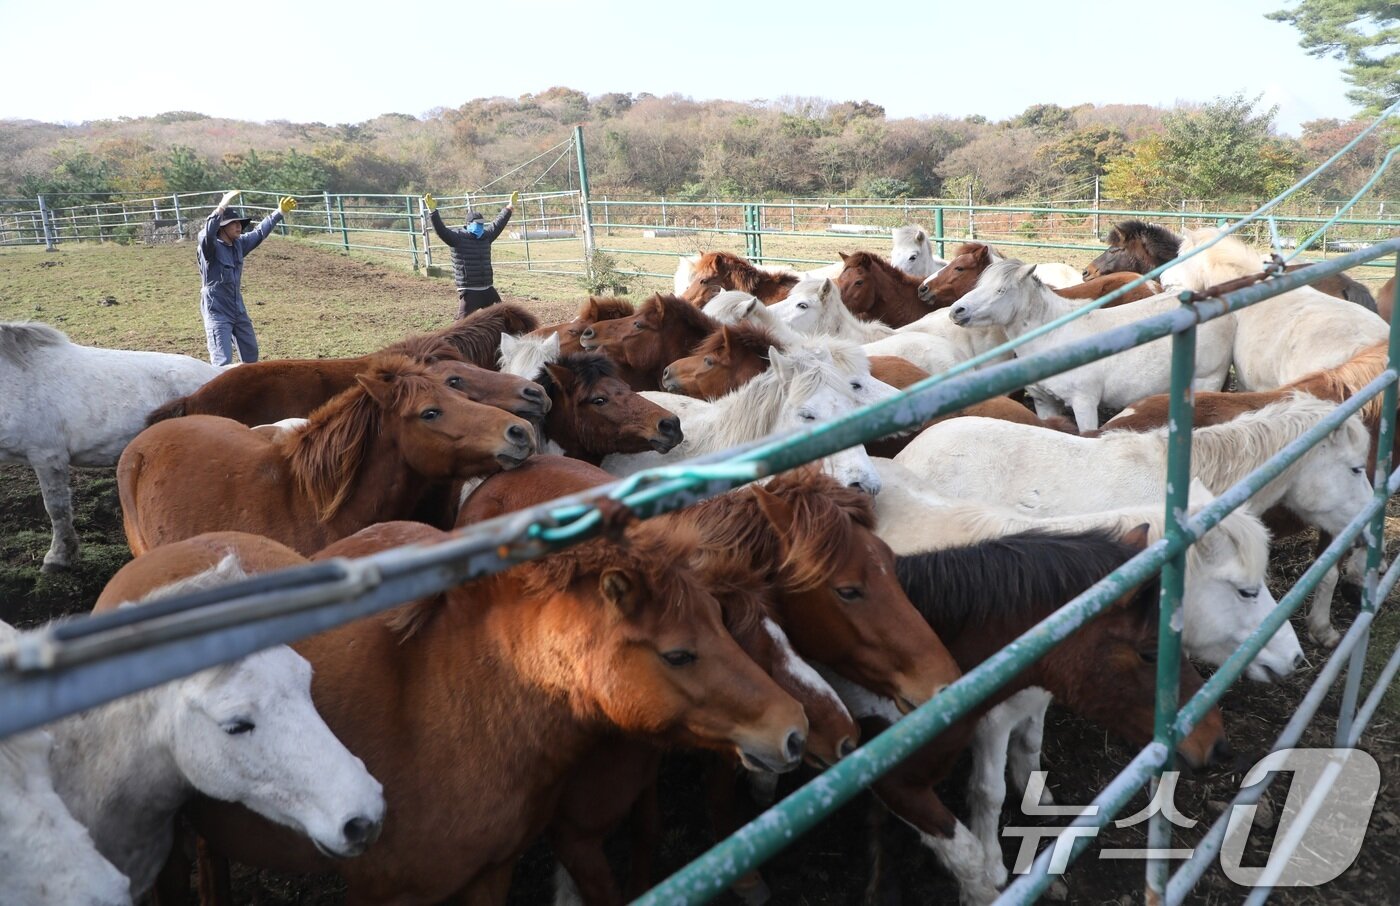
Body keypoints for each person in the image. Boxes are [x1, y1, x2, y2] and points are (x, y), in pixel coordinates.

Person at [196, 190, 298, 365]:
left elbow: (259, 233)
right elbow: (206, 234)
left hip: (237, 308)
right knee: (222, 361)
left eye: (239, 223)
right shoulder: (209, 248)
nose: (239, 226)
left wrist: (279, 213)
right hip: (217, 311)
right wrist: (221, 207)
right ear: (221, 226)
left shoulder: (239, 244)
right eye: (233, 223)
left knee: (251, 354)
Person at [424, 190, 516, 318]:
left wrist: (509, 207)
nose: (480, 226)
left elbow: (498, 224)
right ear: (468, 224)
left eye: (482, 224)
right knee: (461, 325)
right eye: (477, 224)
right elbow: (441, 230)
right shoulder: (457, 238)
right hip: (469, 291)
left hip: (488, 289)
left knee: (503, 318)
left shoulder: (486, 237)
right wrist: (433, 212)